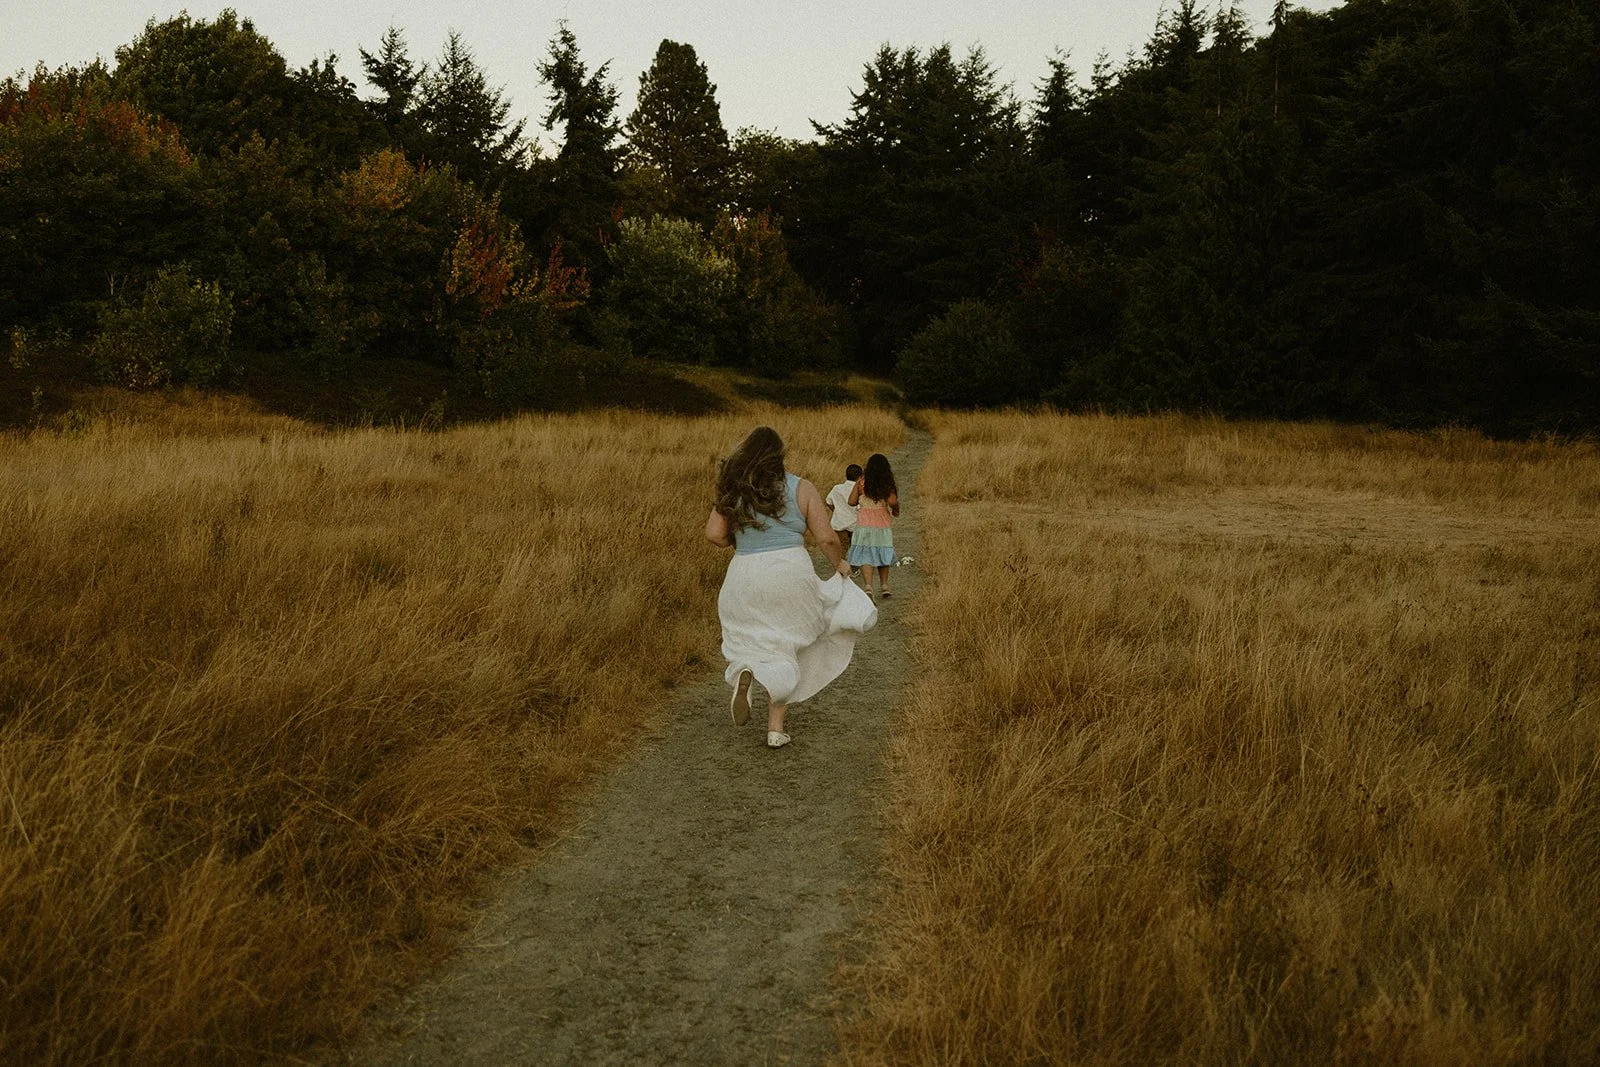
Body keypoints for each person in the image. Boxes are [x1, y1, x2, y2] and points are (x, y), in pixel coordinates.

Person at [704, 427, 877, 749]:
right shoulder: (801, 487)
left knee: (748, 635)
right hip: (789, 572)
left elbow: (714, 534)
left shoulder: (735, 488)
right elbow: (825, 538)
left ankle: (745, 670)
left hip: (744, 573)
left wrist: (743, 538)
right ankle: (775, 728)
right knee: (788, 642)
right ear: (778, 455)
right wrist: (839, 564)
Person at [847, 453, 899, 601]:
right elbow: (892, 501)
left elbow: (851, 502)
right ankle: (884, 585)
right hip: (881, 524)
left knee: (866, 555)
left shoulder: (861, 483)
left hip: (864, 524)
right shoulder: (886, 483)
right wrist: (896, 509)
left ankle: (868, 586)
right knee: (883, 552)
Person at [825, 463, 864, 571]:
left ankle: (840, 567)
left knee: (842, 546)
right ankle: (854, 567)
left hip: (839, 522)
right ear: (860, 477)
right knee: (855, 545)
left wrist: (836, 511)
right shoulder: (859, 489)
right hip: (855, 523)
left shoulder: (837, 488)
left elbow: (828, 501)